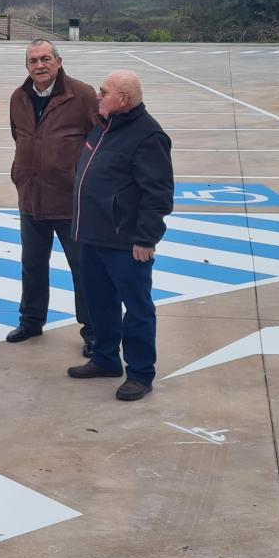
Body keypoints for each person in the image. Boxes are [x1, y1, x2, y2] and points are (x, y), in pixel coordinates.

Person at [65, 69, 174, 401]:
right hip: (92, 236)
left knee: (137, 309)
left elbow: (158, 194)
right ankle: (106, 359)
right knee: (100, 304)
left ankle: (140, 373)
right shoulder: (105, 127)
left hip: (126, 243)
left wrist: (146, 239)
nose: (98, 96)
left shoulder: (148, 136)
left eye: (104, 91)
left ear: (123, 99)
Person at [6, 39, 100, 352]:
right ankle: (31, 321)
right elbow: (19, 138)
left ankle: (93, 330)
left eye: (46, 58)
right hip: (31, 198)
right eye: (33, 61)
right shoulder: (19, 98)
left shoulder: (82, 95)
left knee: (83, 267)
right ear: (27, 66)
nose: (39, 65)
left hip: (71, 201)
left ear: (58, 61)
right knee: (32, 264)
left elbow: (99, 141)